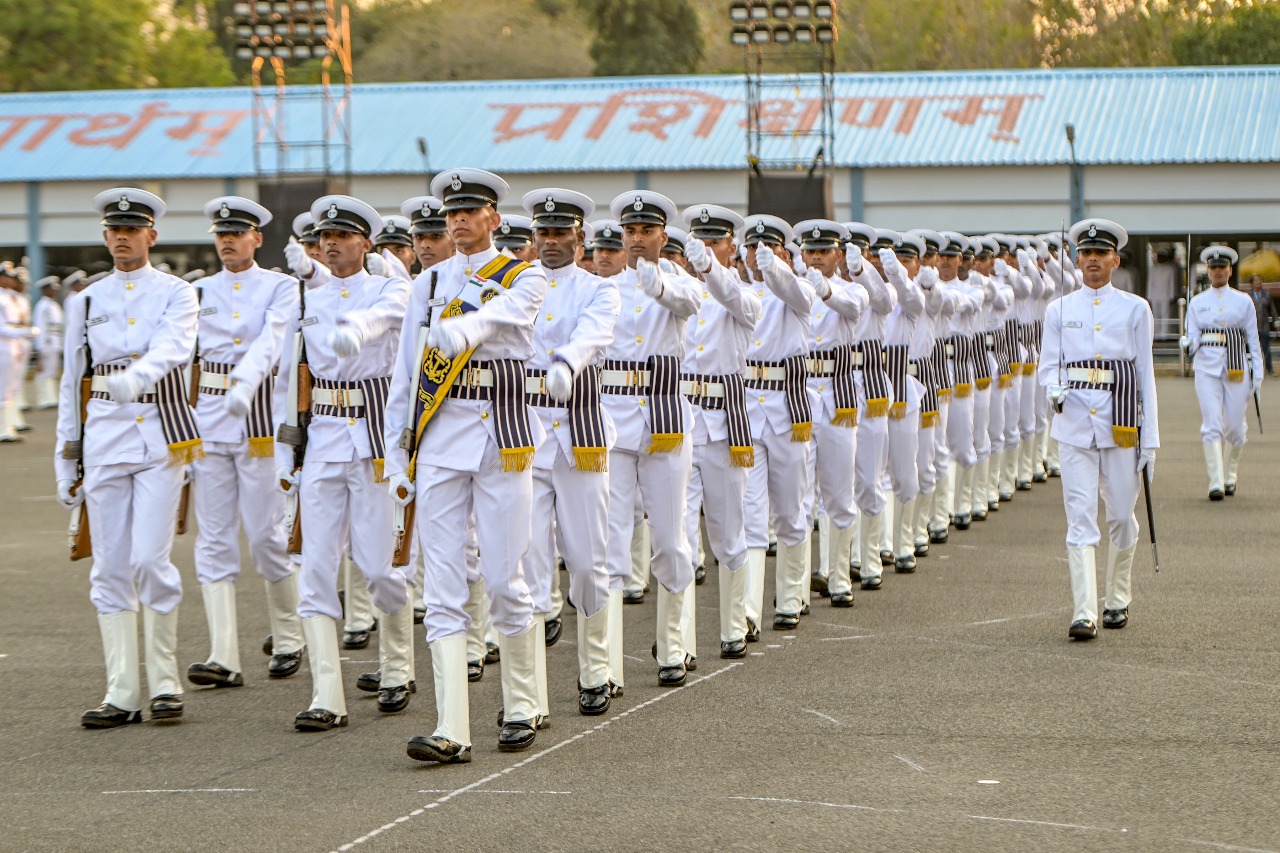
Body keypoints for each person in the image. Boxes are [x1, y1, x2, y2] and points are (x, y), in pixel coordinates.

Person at [386, 168, 547, 763]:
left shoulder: (523, 275)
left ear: (493, 219)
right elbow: (405, 374)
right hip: (440, 439)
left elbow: (510, 317)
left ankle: (524, 703)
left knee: (506, 576)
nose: (456, 221)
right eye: (450, 212)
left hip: (502, 437)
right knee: (443, 581)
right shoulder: (426, 285)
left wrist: (466, 327)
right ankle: (451, 726)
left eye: (469, 211)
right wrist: (397, 451)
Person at [56, 187, 200, 727]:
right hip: (103, 437)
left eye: (132, 229)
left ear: (151, 236)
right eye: (114, 230)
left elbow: (174, 349)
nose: (122, 237)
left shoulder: (177, 293)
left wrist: (138, 375)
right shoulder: (86, 300)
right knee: (110, 565)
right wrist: (66, 460)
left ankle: (164, 681)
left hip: (160, 432)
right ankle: (122, 691)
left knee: (148, 560)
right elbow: (73, 380)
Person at [273, 194, 414, 731]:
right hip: (325, 439)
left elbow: (383, 319)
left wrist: (353, 327)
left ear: (366, 242)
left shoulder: (391, 287)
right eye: (324, 237)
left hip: (376, 441)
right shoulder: (305, 300)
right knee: (314, 569)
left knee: (379, 567)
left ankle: (397, 666)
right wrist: (291, 452)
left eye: (343, 236)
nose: (331, 244)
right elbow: (295, 376)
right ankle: (325, 694)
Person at [185, 196, 305, 691]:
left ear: (257, 238)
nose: (228, 241)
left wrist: (245, 382)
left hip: (258, 417)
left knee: (265, 535)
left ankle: (289, 634)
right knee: (212, 538)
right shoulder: (195, 291)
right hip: (208, 417)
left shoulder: (280, 287)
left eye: (237, 232)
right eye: (221, 234)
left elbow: (274, 339)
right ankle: (223, 655)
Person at [519, 186, 618, 717]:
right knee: (529, 562)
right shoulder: (515, 286)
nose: (552, 241)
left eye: (562, 233)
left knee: (585, 561)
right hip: (526, 436)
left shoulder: (598, 289)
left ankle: (595, 668)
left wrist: (565, 363)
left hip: (579, 434)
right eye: (544, 233)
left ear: (580, 237)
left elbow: (594, 336)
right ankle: (527, 697)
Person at [1039, 218, 1158, 640]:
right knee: (1080, 517)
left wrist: (1151, 440)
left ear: (1114, 259)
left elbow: (1145, 375)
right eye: (1085, 254)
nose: (1091, 260)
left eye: (1099, 253)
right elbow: (1048, 367)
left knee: (1123, 516)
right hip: (1074, 425)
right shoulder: (1059, 309)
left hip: (1122, 424)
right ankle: (1084, 611)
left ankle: (1117, 597)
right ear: (1076, 260)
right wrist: (1052, 389)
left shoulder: (1134, 307)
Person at [599, 189, 700, 685]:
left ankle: (673, 646)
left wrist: (656, 283)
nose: (637, 239)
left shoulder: (679, 282)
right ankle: (607, 665)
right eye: (630, 231)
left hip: (664, 420)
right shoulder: (605, 286)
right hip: (614, 421)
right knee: (612, 538)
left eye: (646, 231)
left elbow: (690, 302)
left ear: (663, 236)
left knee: (670, 538)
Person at [679, 203, 760, 653]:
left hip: (726, 422)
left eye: (716, 241)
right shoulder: (680, 291)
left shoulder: (744, 294)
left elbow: (736, 301)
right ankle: (679, 641)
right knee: (681, 536)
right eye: (700, 241)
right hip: (682, 420)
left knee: (728, 533)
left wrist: (712, 268)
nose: (706, 248)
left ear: (733, 247)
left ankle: (733, 626)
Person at [740, 215, 815, 631]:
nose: (759, 255)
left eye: (769, 247)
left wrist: (775, 267)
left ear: (786, 252)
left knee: (789, 509)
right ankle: (748, 609)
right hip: (747, 405)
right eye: (753, 248)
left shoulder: (797, 290)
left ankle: (790, 596)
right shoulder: (736, 291)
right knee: (752, 513)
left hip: (788, 409)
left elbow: (790, 288)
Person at [793, 219, 865, 606]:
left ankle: (839, 577)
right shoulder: (790, 290)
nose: (817, 258)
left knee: (838, 495)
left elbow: (850, 306)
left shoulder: (852, 290)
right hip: (800, 396)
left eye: (824, 251)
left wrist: (824, 288)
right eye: (810, 251)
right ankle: (799, 585)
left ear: (839, 254)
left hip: (837, 399)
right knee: (801, 498)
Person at [1182, 247, 1262, 499]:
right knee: (1212, 424)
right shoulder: (1197, 302)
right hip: (1207, 366)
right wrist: (1187, 345)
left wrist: (1257, 375)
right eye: (1213, 268)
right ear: (1209, 271)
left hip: (1237, 366)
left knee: (1236, 428)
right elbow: (1193, 338)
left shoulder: (1242, 301)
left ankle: (1231, 475)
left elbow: (1253, 339)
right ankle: (1215, 481)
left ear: (1230, 270)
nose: (1217, 272)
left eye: (1222, 267)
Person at [0, 263, 36, 439]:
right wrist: (26, 332)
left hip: (12, 344)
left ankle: (11, 424)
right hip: (3, 344)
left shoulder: (10, 297)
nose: (10, 280)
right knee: (3, 389)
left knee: (11, 388)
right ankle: (3, 429)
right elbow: (3, 328)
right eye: (6, 276)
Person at [32, 276, 64, 409]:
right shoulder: (42, 306)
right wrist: (39, 348)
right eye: (51, 289)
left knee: (52, 372)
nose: (54, 292)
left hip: (55, 340)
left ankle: (51, 398)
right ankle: (43, 399)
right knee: (43, 372)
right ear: (45, 290)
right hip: (46, 343)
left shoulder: (54, 305)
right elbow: (40, 327)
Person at [1248, 274, 1276, 376]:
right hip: (1251, 327)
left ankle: (1270, 370)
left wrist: (1276, 321)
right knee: (1252, 349)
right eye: (1256, 281)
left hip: (1264, 326)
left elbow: (1272, 310)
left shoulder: (1267, 295)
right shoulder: (1248, 296)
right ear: (1251, 284)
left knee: (1266, 349)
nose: (1258, 282)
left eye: (1260, 280)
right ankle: (1253, 370)